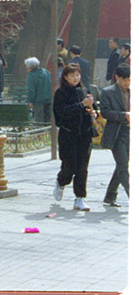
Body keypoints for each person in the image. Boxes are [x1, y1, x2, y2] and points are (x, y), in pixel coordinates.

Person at [52, 63, 96, 211]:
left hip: (85, 134)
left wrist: (92, 112)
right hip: (68, 134)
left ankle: (80, 198)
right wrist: (81, 105)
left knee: (82, 167)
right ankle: (61, 181)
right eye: (72, 75)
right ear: (65, 77)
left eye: (77, 75)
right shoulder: (61, 93)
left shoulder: (84, 90)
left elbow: (90, 107)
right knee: (69, 167)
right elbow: (62, 113)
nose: (75, 78)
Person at [99, 64, 129, 207]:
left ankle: (110, 195)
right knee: (123, 166)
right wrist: (123, 116)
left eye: (130, 80)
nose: (127, 83)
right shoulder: (108, 92)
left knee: (121, 165)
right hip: (117, 133)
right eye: (124, 80)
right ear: (117, 77)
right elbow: (104, 112)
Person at [25, 57, 52, 123]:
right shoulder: (46, 72)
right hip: (49, 99)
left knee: (39, 121)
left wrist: (30, 101)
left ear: (29, 67)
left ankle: (40, 133)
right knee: (48, 120)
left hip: (38, 101)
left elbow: (31, 90)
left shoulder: (31, 75)